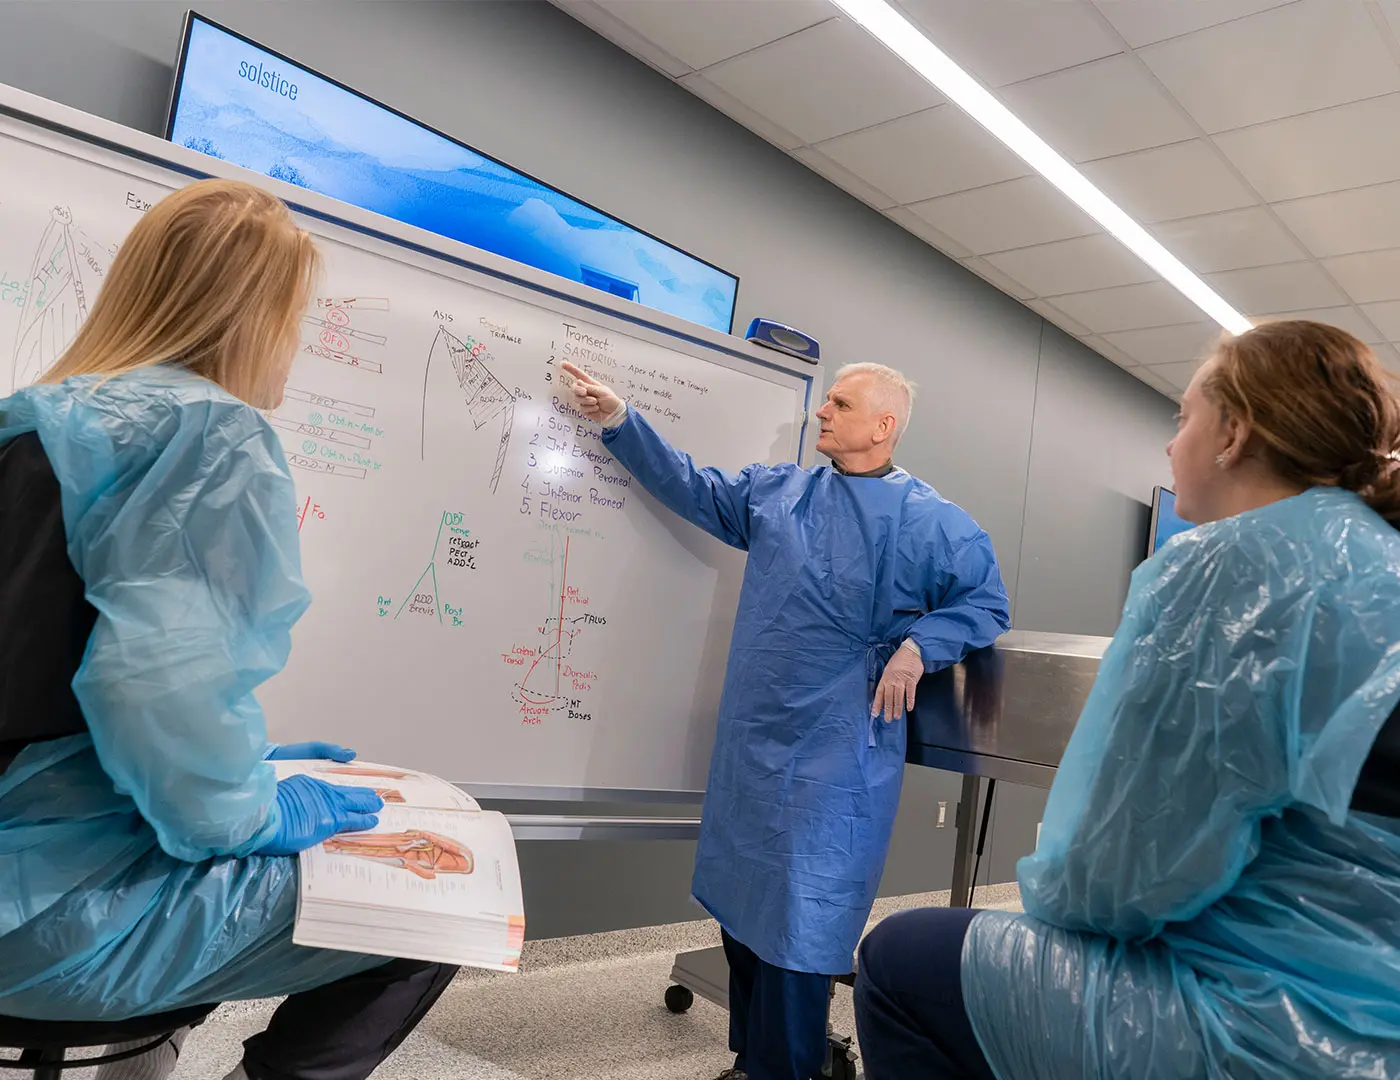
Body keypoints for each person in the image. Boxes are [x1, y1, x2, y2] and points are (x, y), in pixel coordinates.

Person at [853, 320, 1400, 1080]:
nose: (1171, 447)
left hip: (1270, 1029)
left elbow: (1114, 881)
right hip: (1378, 1008)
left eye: (1183, 418)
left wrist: (1053, 903)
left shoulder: (1232, 564)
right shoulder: (1379, 560)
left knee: (901, 954)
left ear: (1234, 432)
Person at [0, 179, 458, 1080]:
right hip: (42, 919)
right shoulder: (204, 433)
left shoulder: (30, 422)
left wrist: (244, 766)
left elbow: (55, 676)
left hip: (29, 844)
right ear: (258, 316)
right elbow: (154, 685)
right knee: (441, 906)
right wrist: (252, 804)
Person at [562, 359, 1010, 1080]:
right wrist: (620, 419)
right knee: (744, 911)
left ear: (883, 425)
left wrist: (920, 647)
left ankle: (788, 1069)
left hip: (841, 746)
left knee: (803, 922)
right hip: (758, 735)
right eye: (825, 398)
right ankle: (754, 1059)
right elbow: (690, 485)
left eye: (840, 402)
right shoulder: (780, 494)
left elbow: (985, 604)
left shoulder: (932, 521)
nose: (821, 412)